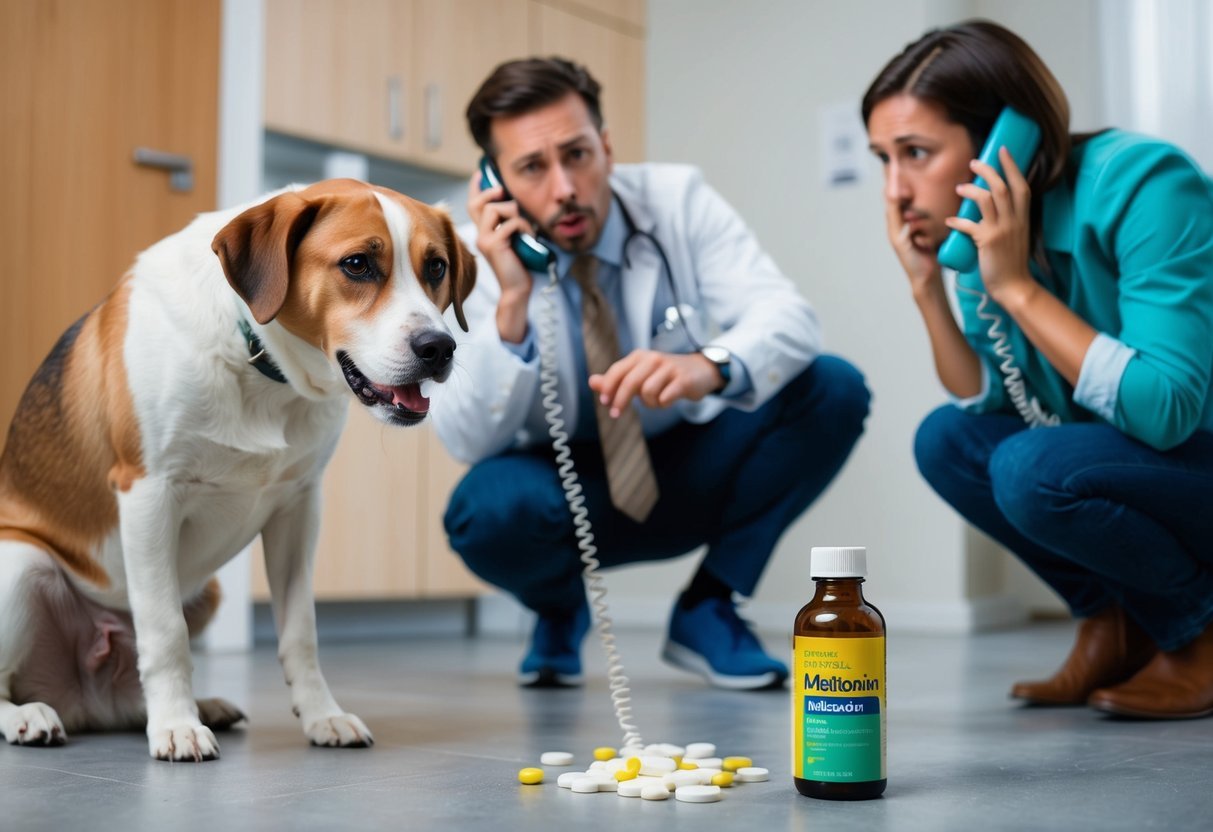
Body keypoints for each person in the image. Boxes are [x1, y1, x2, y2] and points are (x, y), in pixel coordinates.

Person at [430, 57, 869, 690]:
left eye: (578, 154)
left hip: (682, 466)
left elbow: (789, 316)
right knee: (485, 513)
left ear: (606, 147)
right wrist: (512, 301)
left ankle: (710, 606)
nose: (564, 188)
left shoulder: (676, 199)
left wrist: (708, 367)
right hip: (558, 490)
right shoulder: (471, 257)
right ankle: (558, 607)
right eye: (532, 168)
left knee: (831, 388)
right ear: (495, 183)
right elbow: (464, 440)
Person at [864, 20, 1213, 718]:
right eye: (882, 159)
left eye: (915, 153)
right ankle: (1114, 623)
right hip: (1126, 463)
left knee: (1030, 468)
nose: (896, 189)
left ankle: (1195, 630)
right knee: (946, 441)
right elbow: (984, 397)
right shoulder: (982, 230)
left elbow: (1165, 409)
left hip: (1193, 456)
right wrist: (927, 288)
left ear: (1003, 143)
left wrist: (1016, 288)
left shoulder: (1145, 183)